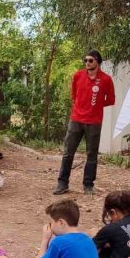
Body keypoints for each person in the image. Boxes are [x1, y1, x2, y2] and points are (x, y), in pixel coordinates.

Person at [54, 50, 116, 196]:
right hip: (76, 120)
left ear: (97, 62)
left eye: (90, 60)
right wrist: (81, 107)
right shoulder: (78, 76)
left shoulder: (106, 79)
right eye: (85, 60)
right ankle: (62, 184)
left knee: (92, 154)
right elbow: (74, 95)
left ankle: (88, 185)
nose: (87, 63)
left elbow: (111, 99)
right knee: (68, 152)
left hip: (94, 122)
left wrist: (96, 105)